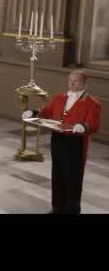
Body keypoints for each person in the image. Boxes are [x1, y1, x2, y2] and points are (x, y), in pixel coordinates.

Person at [23, 70, 101, 214]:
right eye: (70, 80)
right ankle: (57, 208)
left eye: (76, 80)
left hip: (75, 143)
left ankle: (72, 210)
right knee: (57, 175)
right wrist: (34, 112)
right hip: (58, 139)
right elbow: (46, 111)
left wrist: (83, 126)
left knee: (72, 178)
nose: (72, 83)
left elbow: (94, 124)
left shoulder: (92, 103)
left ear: (84, 83)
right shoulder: (60, 97)